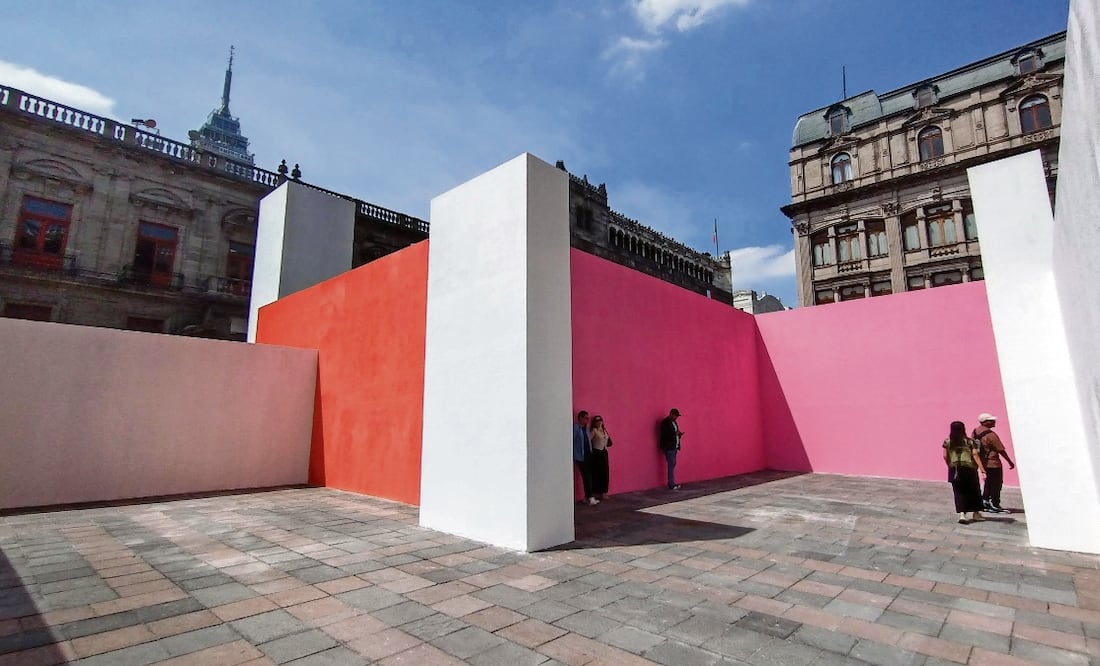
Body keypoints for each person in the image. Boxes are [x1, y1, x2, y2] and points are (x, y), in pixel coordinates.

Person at [943, 420, 985, 524]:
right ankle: (976, 513)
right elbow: (975, 455)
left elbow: (945, 455)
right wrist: (982, 470)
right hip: (969, 468)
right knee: (974, 491)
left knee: (959, 492)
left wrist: (950, 464)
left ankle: (962, 514)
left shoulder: (947, 442)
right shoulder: (970, 441)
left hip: (955, 468)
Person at [973, 413, 1015, 513]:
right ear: (986, 422)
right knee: (996, 484)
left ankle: (985, 501)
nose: (994, 422)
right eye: (992, 420)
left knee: (988, 483)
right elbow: (1001, 449)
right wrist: (1009, 461)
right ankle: (995, 504)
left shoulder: (975, 431)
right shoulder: (991, 435)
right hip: (993, 463)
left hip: (983, 462)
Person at [573, 410, 597, 505]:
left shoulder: (586, 429)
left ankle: (588, 496)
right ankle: (589, 496)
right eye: (586, 418)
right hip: (580, 456)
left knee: (589, 476)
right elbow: (573, 441)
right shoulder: (576, 428)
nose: (587, 420)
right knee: (586, 476)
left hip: (588, 455)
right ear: (581, 418)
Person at [588, 415, 613, 500]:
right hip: (596, 452)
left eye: (600, 420)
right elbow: (588, 440)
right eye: (597, 421)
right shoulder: (594, 431)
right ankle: (596, 491)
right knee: (597, 472)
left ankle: (604, 492)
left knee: (605, 472)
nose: (599, 422)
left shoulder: (604, 430)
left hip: (604, 452)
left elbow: (608, 441)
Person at [659, 408, 684, 490]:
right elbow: (664, 435)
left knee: (672, 464)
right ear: (671, 414)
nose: (676, 417)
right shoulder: (665, 422)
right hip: (669, 447)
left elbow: (675, 432)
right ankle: (671, 484)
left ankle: (672, 482)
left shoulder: (674, 422)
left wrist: (679, 434)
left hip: (674, 447)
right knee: (671, 464)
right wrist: (675, 434)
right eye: (675, 416)